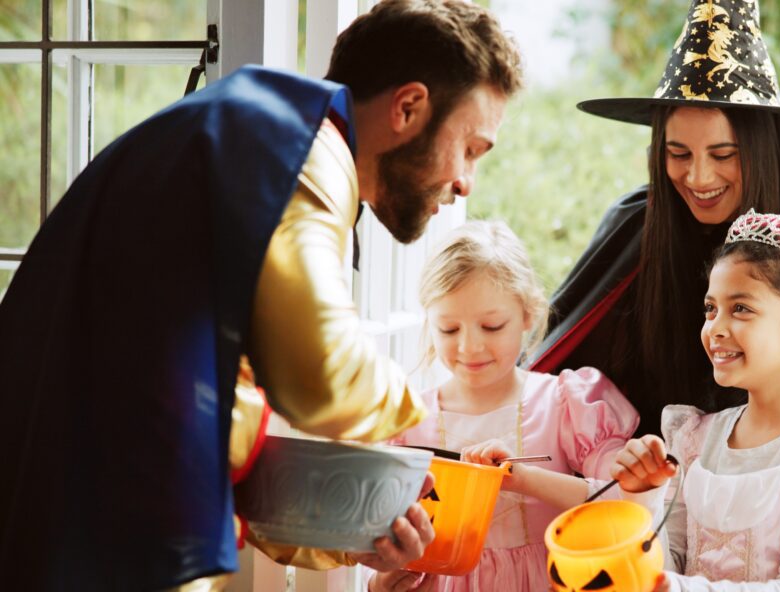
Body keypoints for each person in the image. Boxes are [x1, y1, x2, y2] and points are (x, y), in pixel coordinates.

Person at [0, 1, 522, 590]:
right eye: (472, 149)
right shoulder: (301, 157)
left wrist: (358, 524)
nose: (464, 182)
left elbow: (204, 418)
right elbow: (319, 380)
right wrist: (423, 417)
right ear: (408, 107)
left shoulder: (254, 134)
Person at [527, 0, 780, 439]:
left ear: (763, 151)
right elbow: (562, 360)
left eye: (723, 154)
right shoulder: (637, 224)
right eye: (678, 154)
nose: (698, 177)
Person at [370, 221, 639, 592]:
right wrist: (382, 585)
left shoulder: (565, 403)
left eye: (492, 326)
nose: (470, 347)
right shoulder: (407, 422)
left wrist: (524, 479)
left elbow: (627, 500)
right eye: (449, 329)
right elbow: (383, 548)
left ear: (528, 313)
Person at [610, 210, 780, 591]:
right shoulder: (695, 439)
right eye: (710, 309)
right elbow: (663, 569)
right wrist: (644, 498)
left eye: (741, 309)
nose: (715, 328)